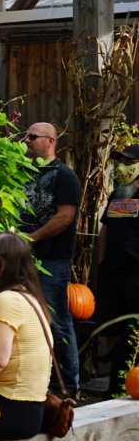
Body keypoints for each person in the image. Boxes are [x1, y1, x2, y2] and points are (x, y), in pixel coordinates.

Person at [19, 121, 81, 395]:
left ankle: (68, 386)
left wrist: (31, 239)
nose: (27, 140)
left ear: (50, 141)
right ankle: (36, 383)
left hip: (52, 260)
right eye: (26, 136)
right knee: (24, 319)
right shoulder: (21, 173)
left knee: (56, 319)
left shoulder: (64, 176)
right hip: (20, 258)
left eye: (32, 136)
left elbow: (65, 217)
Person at [0, 231, 53, 441]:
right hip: (27, 411)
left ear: (6, 265)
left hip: (8, 411)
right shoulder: (27, 295)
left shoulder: (7, 300)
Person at [95, 143, 139, 397]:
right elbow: (105, 230)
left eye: (127, 162)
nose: (121, 167)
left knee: (134, 331)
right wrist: (100, 266)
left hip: (136, 274)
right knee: (111, 328)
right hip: (111, 273)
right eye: (119, 162)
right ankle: (116, 384)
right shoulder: (118, 194)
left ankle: (132, 382)